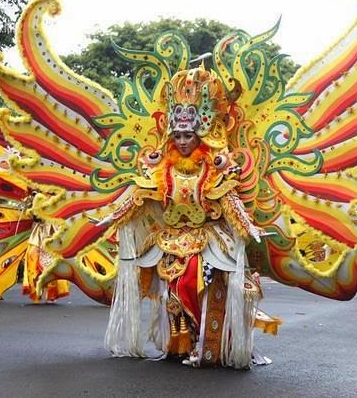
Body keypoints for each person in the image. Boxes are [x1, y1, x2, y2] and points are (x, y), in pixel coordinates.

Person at [100, 68, 273, 368]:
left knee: (194, 283)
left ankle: (204, 343)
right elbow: (140, 197)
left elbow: (228, 199)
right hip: (169, 240)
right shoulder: (162, 169)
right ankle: (179, 343)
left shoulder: (212, 167)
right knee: (172, 292)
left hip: (206, 240)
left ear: (200, 135)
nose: (182, 141)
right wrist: (113, 217)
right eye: (177, 135)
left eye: (187, 135)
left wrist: (248, 228)